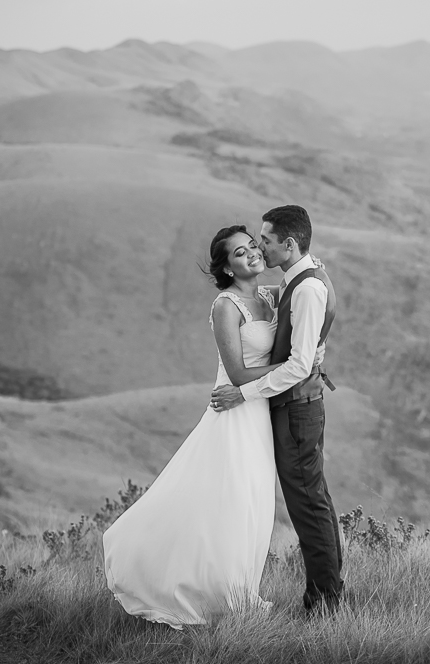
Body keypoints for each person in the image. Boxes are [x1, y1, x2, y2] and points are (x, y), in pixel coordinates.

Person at [101, 224, 324, 627]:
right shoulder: (226, 305)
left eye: (254, 246)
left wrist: (313, 268)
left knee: (254, 505)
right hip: (234, 410)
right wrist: (301, 366)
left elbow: (300, 287)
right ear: (226, 267)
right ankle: (195, 590)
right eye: (239, 253)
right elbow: (238, 374)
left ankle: (236, 593)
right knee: (229, 503)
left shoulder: (267, 296)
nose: (252, 253)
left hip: (258, 413)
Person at [211, 204, 343, 615]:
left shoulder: (303, 287)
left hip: (297, 409)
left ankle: (324, 604)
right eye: (250, 245)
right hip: (284, 408)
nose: (258, 248)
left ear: (288, 244)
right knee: (312, 501)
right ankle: (327, 595)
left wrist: (245, 394)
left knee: (308, 506)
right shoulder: (290, 282)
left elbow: (300, 364)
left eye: (263, 241)